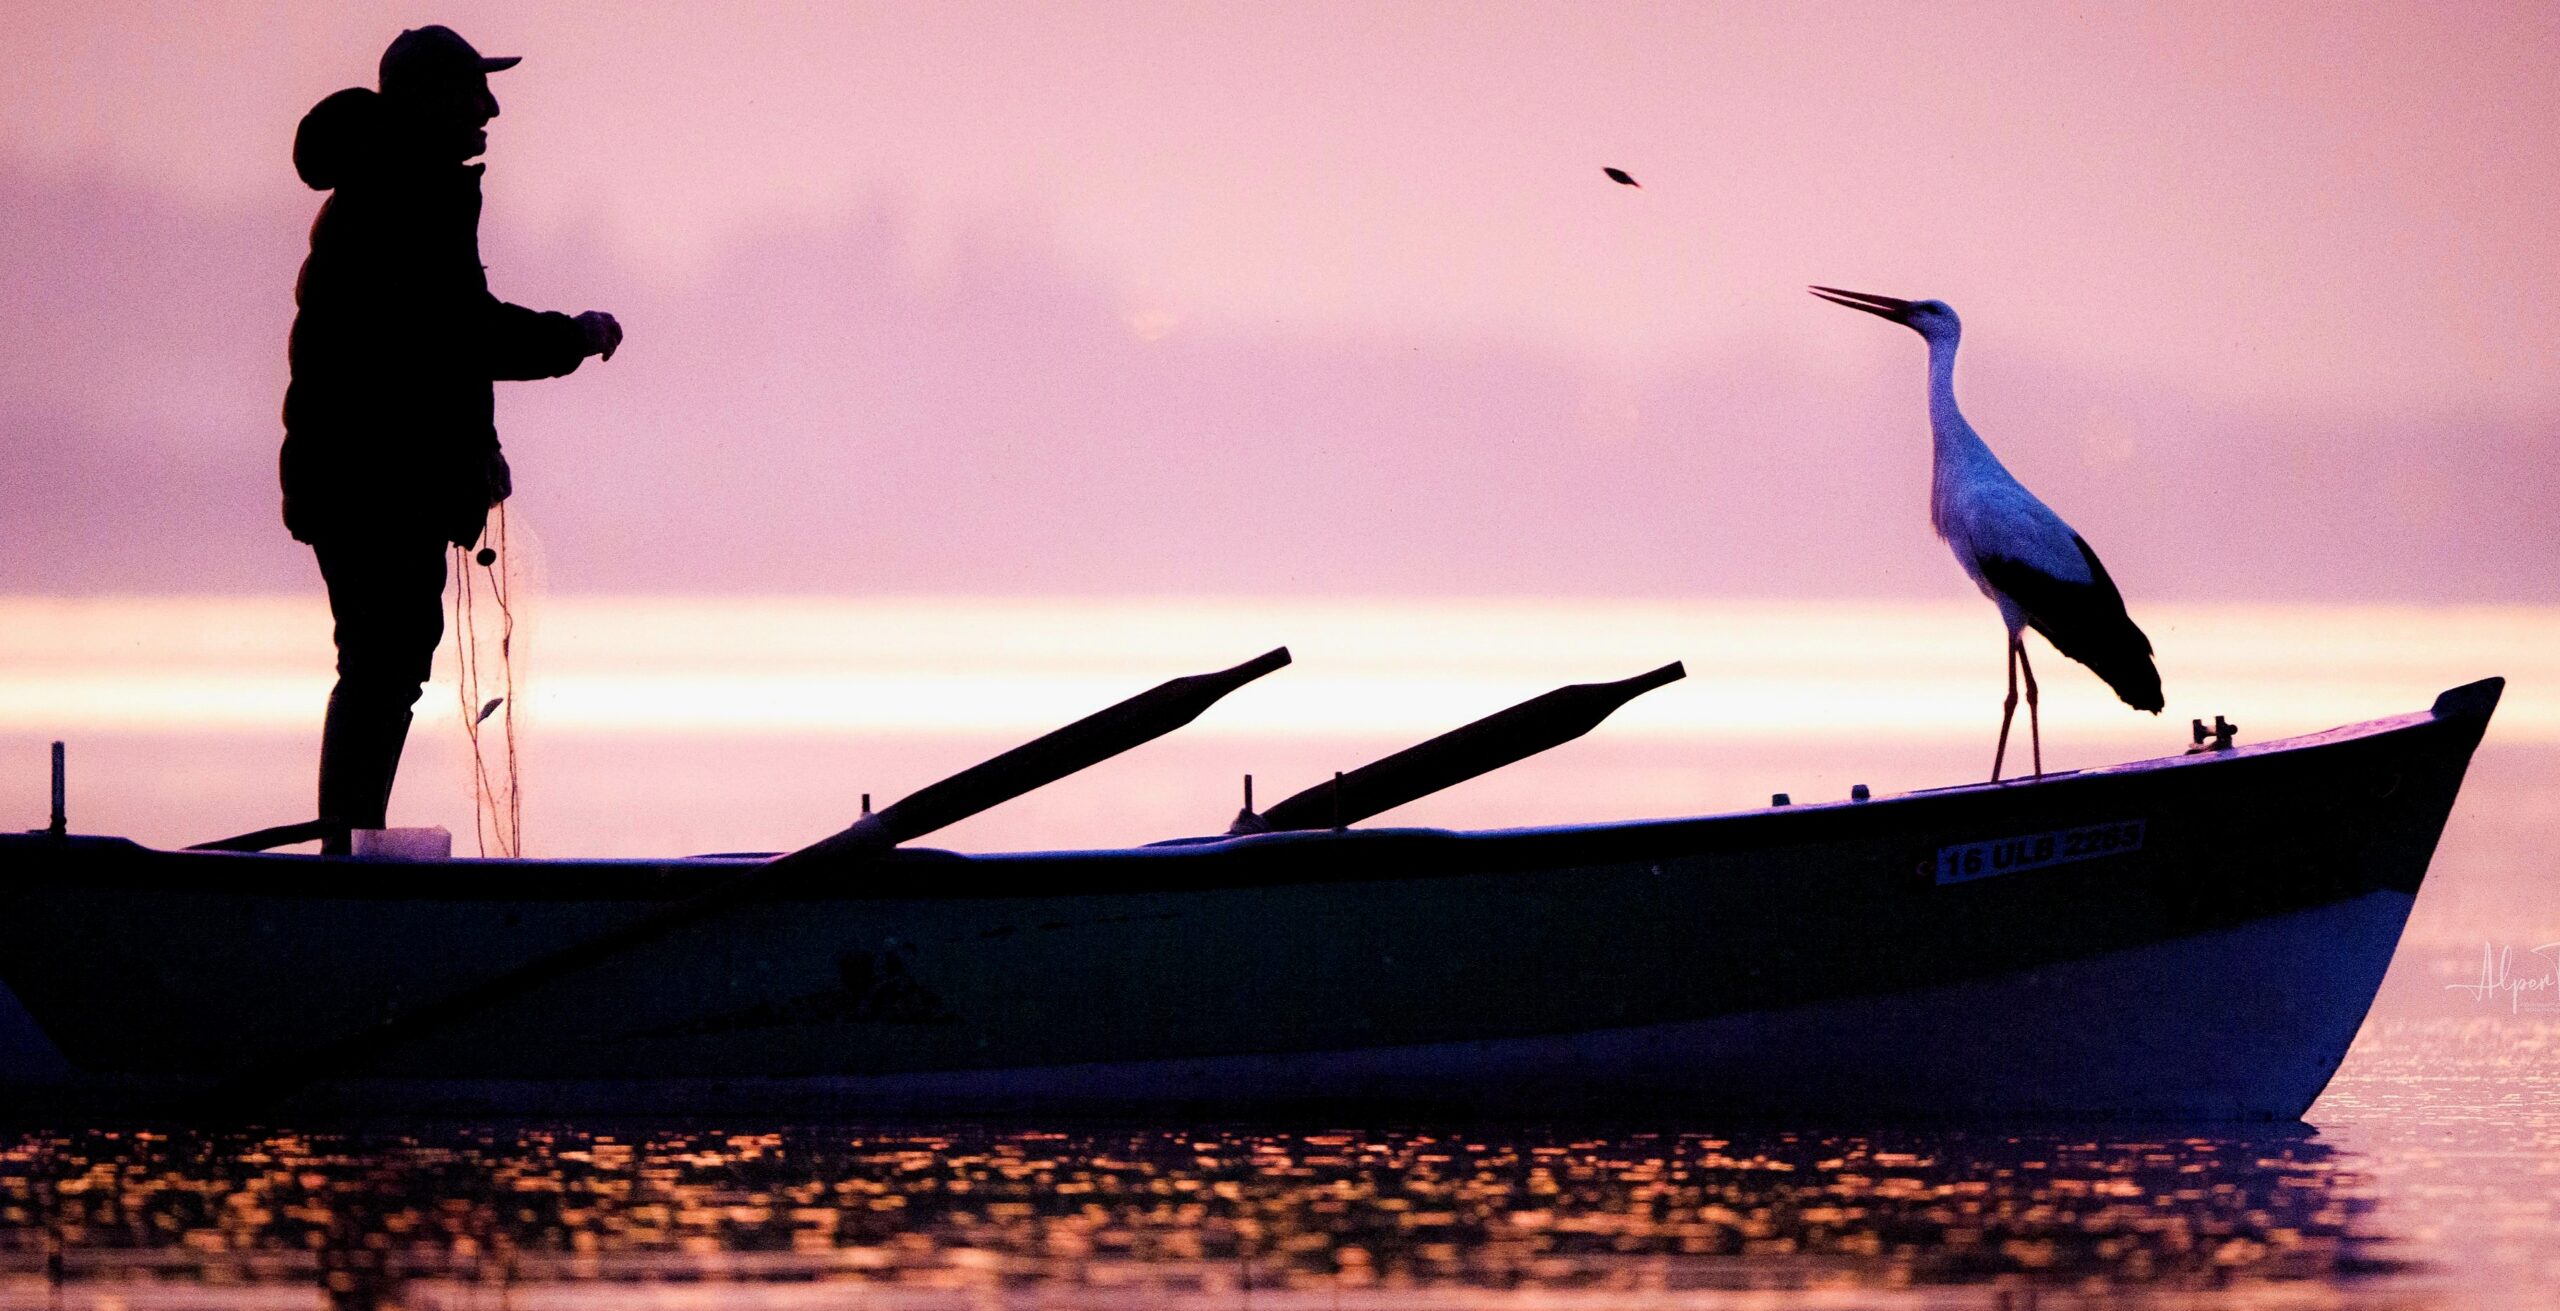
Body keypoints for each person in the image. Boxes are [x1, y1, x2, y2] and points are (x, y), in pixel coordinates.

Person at [281, 26, 622, 852]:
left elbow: (432, 359)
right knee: (383, 661)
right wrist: (570, 337)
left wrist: (476, 458)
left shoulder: (403, 185)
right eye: (474, 91)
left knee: (387, 660)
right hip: (367, 482)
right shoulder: (401, 195)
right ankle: (345, 857)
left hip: (368, 477)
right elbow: (459, 334)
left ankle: (348, 846)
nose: (491, 108)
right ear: (432, 101)